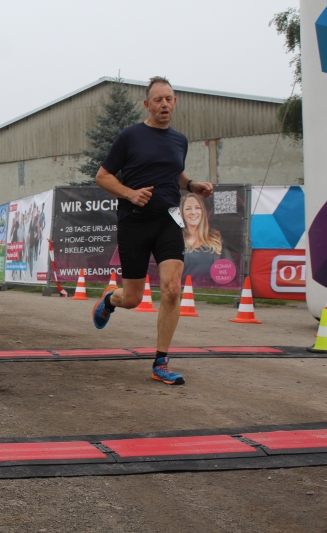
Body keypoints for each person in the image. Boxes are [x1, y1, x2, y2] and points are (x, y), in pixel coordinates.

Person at [91, 77, 214, 386]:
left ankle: (161, 361)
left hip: (167, 221)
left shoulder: (179, 140)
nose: (164, 104)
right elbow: (102, 176)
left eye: (169, 99)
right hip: (134, 221)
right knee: (132, 298)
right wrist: (130, 193)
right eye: (158, 99)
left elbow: (176, 172)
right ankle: (109, 300)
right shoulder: (130, 137)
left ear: (175, 103)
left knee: (172, 288)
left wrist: (192, 185)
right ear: (147, 105)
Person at [180, 193, 227, 279]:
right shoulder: (176, 238)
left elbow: (230, 268)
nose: (193, 212)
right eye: (188, 208)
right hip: (183, 289)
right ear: (182, 213)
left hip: (211, 289)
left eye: (197, 208)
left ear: (203, 211)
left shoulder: (216, 237)